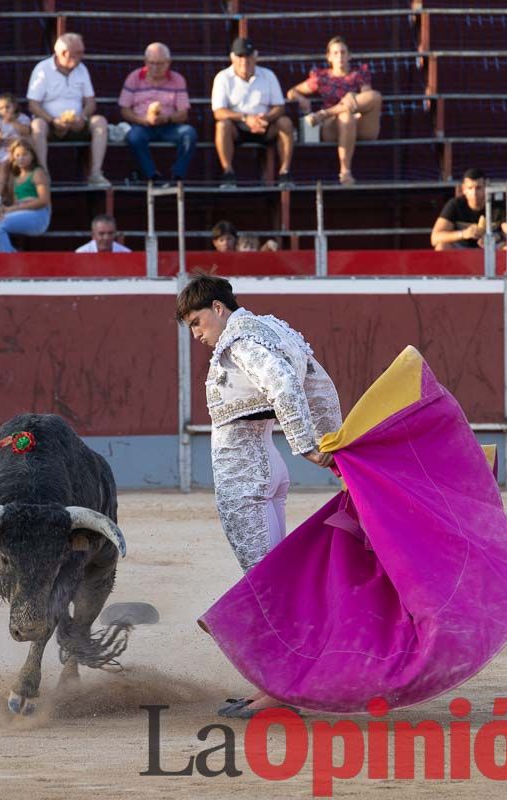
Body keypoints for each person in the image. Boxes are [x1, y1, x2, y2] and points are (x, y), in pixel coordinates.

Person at [175, 272, 341, 717]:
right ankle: (274, 681)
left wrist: (310, 446)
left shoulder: (239, 341)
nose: (197, 335)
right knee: (274, 580)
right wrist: (332, 443)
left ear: (217, 308)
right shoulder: (271, 327)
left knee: (267, 587)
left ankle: (280, 688)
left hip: (245, 481)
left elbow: (285, 386)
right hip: (266, 470)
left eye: (196, 322)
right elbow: (318, 384)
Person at [286, 36, 382, 185]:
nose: (340, 57)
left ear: (349, 56)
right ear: (329, 57)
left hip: (360, 125)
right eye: (335, 53)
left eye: (343, 52)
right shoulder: (322, 77)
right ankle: (345, 172)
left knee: (375, 96)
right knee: (345, 116)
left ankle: (326, 112)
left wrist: (353, 96)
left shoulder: (359, 74)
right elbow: (292, 92)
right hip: (332, 126)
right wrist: (301, 99)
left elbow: (367, 97)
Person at [27, 32, 111, 188]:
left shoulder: (82, 69)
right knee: (37, 125)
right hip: (50, 123)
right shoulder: (42, 69)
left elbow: (91, 102)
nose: (82, 56)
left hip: (77, 122)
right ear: (64, 53)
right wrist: (52, 120)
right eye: (78, 53)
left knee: (100, 121)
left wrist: (83, 117)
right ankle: (43, 175)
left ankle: (96, 174)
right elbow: (33, 104)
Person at [212, 37, 294, 189]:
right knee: (222, 125)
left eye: (248, 56)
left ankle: (285, 173)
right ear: (232, 57)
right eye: (240, 56)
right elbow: (218, 112)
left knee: (285, 123)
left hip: (265, 126)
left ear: (255, 56)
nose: (244, 61)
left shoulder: (268, 75)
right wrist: (245, 118)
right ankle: (228, 173)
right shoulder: (223, 78)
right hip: (237, 129)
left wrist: (267, 118)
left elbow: (280, 106)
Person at [118, 42, 196, 185]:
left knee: (189, 133)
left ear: (168, 63)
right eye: (152, 63)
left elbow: (183, 113)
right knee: (134, 137)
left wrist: (167, 118)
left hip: (169, 125)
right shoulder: (134, 77)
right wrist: (142, 120)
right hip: (142, 124)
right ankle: (151, 175)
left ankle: (178, 175)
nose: (155, 68)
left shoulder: (177, 80)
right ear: (145, 62)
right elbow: (124, 109)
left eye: (160, 64)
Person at [0, 139, 51, 253]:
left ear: (32, 156)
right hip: (22, 213)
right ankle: (11, 253)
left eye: (25, 154)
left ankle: (8, 259)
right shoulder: (16, 178)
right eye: (17, 155)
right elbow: (16, 204)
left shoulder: (37, 172)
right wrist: (6, 211)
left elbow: (43, 201)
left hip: (38, 216)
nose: (21, 158)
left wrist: (13, 209)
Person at [430, 168, 502, 250]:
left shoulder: (499, 206)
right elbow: (435, 238)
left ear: (486, 188)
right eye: (470, 188)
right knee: (441, 247)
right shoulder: (455, 204)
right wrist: (463, 234)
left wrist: (498, 236)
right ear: (464, 189)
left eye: (478, 188)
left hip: (491, 248)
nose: (474, 193)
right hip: (461, 249)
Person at [0, 92, 33, 211]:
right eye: (1, 108)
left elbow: (26, 132)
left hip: (18, 151)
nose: (5, 110)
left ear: (14, 106)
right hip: (4, 152)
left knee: (8, 167)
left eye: (8, 107)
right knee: (3, 167)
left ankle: (0, 197)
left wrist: (13, 122)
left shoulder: (22, 118)